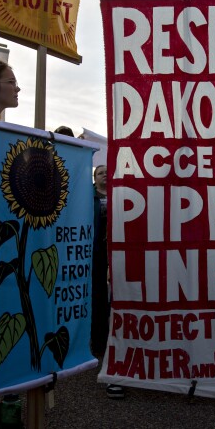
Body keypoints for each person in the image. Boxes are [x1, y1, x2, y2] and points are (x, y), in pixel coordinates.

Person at [90, 164, 124, 399]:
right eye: (100, 172)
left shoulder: (119, 193)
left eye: (106, 172)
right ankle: (98, 341)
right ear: (95, 178)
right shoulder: (88, 196)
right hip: (95, 251)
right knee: (97, 295)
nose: (104, 174)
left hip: (116, 250)